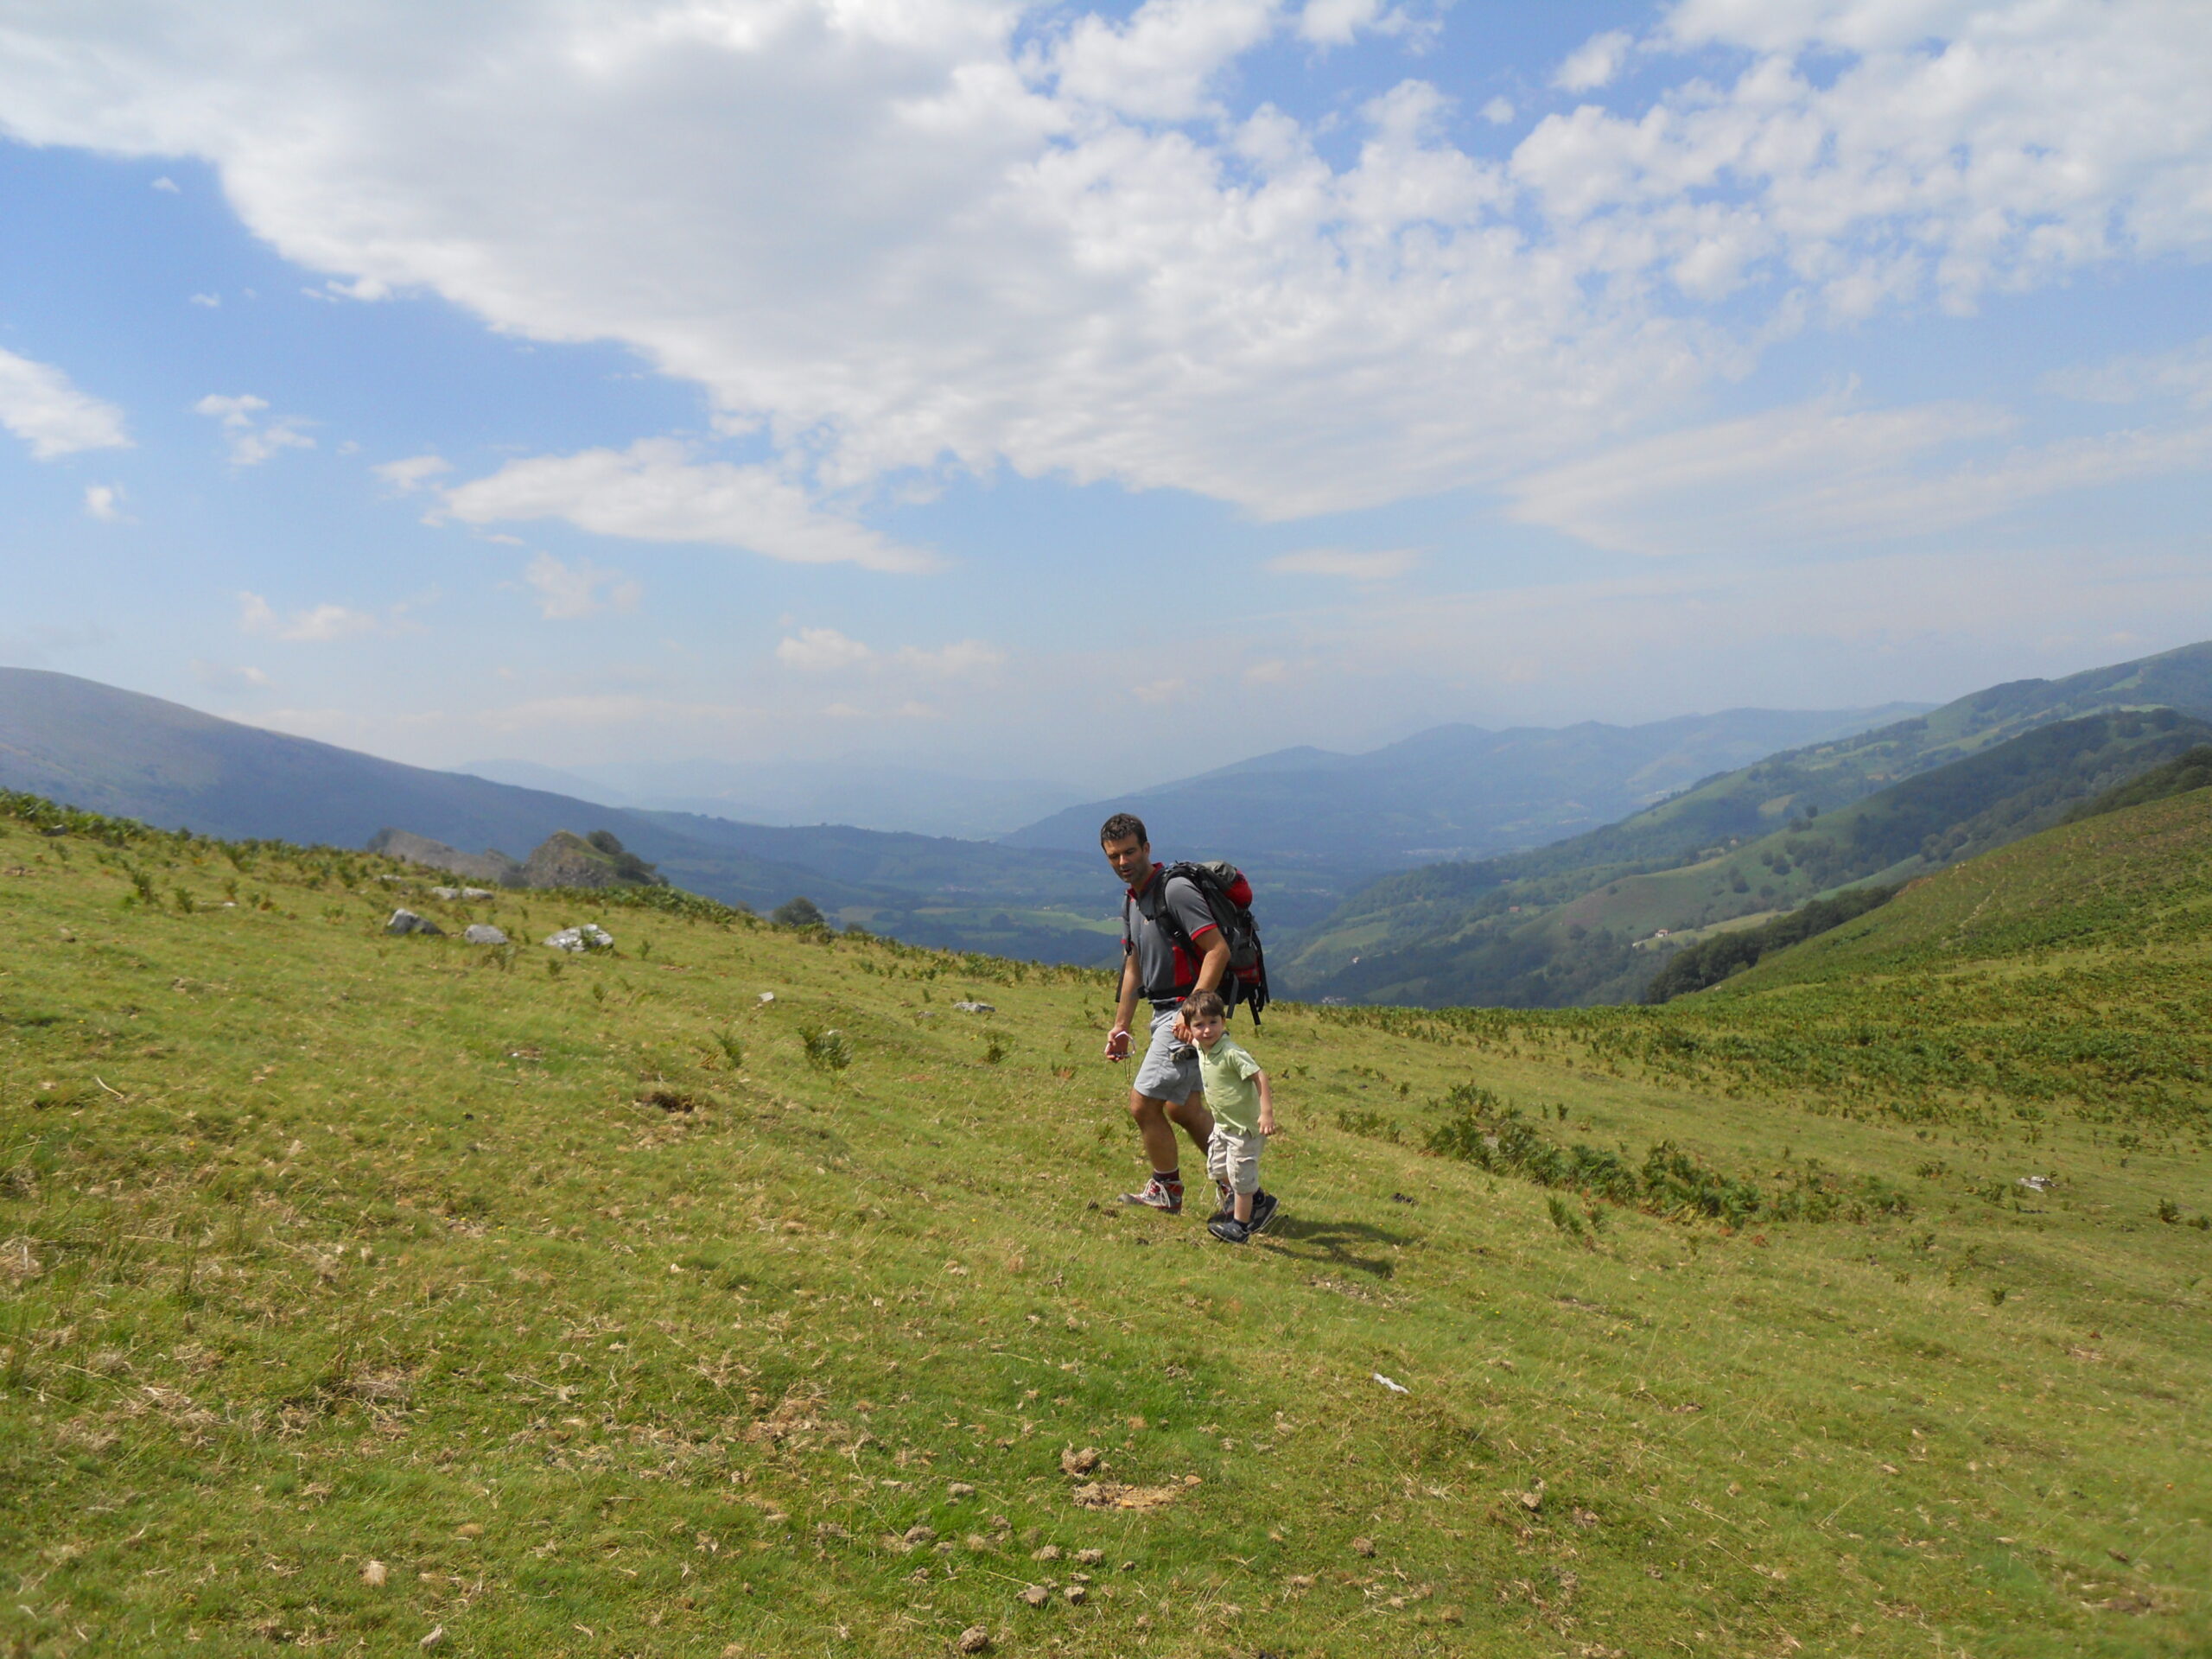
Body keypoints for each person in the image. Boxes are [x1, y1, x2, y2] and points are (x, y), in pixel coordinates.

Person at [1100, 812, 1226, 1213]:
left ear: (1148, 848)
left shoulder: (1175, 891)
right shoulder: (1132, 899)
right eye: (1114, 856)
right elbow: (1134, 965)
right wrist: (1121, 1026)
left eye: (1130, 852)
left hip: (1187, 1013)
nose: (1123, 862)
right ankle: (1243, 1193)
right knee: (1183, 1108)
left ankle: (1167, 1189)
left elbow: (1217, 951)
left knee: (1142, 1104)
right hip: (1163, 1011)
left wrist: (1191, 1011)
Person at [1182, 988, 1281, 1243]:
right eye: (1199, 1025)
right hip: (1223, 1127)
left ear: (1223, 1022)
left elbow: (1259, 1076)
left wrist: (1266, 1113)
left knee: (1239, 1179)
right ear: (1191, 1028)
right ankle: (1258, 1199)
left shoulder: (1230, 1052)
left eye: (1213, 1023)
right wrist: (1182, 1037)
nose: (1207, 1030)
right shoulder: (1202, 1046)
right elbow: (1192, 1039)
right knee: (1217, 1169)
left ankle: (1240, 1227)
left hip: (1244, 1129)